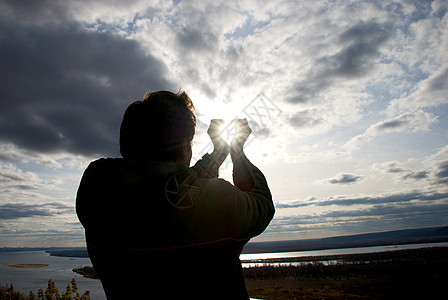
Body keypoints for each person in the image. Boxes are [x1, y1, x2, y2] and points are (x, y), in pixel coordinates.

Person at [76, 90, 275, 299]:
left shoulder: (98, 192)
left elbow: (173, 191)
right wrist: (237, 151)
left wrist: (218, 152)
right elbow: (260, 201)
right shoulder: (217, 205)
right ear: (183, 147)